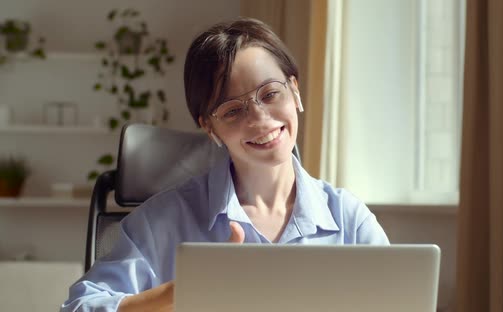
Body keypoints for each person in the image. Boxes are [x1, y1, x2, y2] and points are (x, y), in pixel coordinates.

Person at [61, 17, 389, 312]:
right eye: (233, 111)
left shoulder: (347, 218)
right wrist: (183, 291)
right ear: (210, 127)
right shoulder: (163, 220)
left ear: (296, 91)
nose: (260, 120)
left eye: (271, 94)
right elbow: (79, 307)